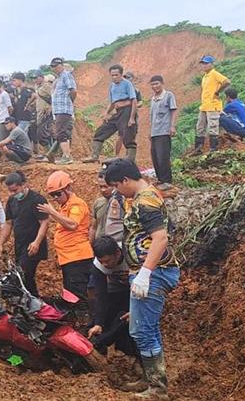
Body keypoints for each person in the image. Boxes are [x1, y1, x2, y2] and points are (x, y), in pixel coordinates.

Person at [103, 158, 180, 398]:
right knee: (147, 329)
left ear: (126, 180)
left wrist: (145, 273)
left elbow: (161, 238)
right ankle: (151, 380)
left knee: (142, 331)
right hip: (149, 270)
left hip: (154, 272)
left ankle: (157, 389)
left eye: (117, 185)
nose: (116, 190)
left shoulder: (145, 200)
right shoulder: (142, 197)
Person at [37, 171, 94, 311]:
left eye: (58, 194)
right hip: (69, 259)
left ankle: (86, 324)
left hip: (78, 258)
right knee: (70, 294)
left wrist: (52, 212)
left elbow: (72, 225)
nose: (55, 198)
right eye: (52, 195)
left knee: (78, 297)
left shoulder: (77, 204)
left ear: (68, 188)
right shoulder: (65, 206)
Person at [87, 236, 138, 369]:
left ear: (117, 253)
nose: (105, 265)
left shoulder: (133, 255)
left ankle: (135, 358)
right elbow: (101, 295)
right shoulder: (97, 266)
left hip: (136, 292)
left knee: (126, 321)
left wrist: (137, 309)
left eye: (107, 261)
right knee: (104, 321)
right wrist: (98, 323)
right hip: (114, 291)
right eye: (101, 261)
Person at [0, 171, 49, 296]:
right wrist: (1, 243)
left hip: (33, 245)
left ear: (24, 185)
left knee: (24, 274)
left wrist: (37, 242)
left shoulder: (36, 200)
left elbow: (44, 222)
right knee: (25, 278)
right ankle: (33, 303)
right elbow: (9, 223)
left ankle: (34, 303)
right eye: (10, 191)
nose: (12, 194)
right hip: (20, 245)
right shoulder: (12, 201)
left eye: (15, 190)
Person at [84, 64, 138, 163]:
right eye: (112, 75)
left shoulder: (127, 84)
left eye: (116, 75)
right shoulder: (112, 86)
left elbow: (134, 101)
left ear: (121, 74)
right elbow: (112, 103)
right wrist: (106, 113)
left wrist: (132, 118)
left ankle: (130, 159)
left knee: (128, 135)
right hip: (118, 112)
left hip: (127, 111)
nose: (114, 77)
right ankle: (94, 156)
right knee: (101, 131)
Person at [148, 75, 178, 190]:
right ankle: (160, 179)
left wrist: (172, 126)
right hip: (155, 132)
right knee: (155, 156)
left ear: (162, 83)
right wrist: (150, 131)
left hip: (164, 131)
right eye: (153, 84)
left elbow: (173, 111)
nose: (155, 86)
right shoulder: (153, 99)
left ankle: (167, 180)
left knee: (163, 156)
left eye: (157, 83)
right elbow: (152, 116)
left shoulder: (168, 95)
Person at [196, 55, 231, 154]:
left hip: (213, 105)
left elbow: (227, 81)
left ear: (211, 64)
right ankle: (198, 148)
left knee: (212, 127)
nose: (204, 65)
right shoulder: (204, 77)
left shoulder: (214, 74)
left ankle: (213, 149)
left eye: (206, 63)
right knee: (200, 127)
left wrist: (217, 92)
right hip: (204, 106)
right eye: (203, 63)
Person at [49, 57, 78, 164]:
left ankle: (66, 156)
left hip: (64, 109)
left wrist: (70, 102)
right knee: (62, 132)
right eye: (53, 67)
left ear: (61, 65)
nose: (54, 68)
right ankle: (66, 155)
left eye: (56, 66)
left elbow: (73, 91)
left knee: (60, 132)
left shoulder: (66, 75)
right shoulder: (59, 78)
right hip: (59, 109)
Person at [89, 170, 126, 244]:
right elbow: (93, 227)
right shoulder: (98, 203)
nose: (103, 190)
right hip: (100, 246)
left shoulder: (122, 203)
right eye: (101, 186)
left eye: (106, 186)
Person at [114, 71, 142, 157]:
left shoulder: (136, 90)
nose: (127, 79)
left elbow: (140, 102)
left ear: (132, 79)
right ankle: (116, 155)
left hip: (133, 116)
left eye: (128, 78)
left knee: (131, 136)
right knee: (121, 135)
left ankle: (129, 157)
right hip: (122, 116)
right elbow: (116, 104)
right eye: (125, 77)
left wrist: (134, 105)